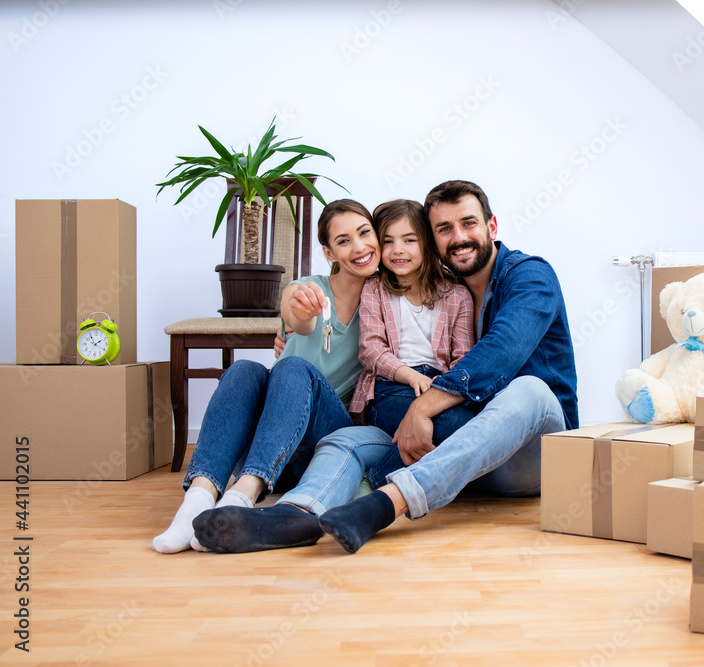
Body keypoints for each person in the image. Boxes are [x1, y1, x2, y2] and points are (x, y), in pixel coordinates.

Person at [193, 179, 578, 554]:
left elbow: (501, 351)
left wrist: (422, 407)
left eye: (469, 223)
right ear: (435, 239)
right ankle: (297, 513)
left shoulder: (528, 276)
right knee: (349, 440)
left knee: (527, 390)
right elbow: (320, 317)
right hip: (457, 460)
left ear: (492, 226)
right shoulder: (396, 288)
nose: (457, 237)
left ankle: (381, 503)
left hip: (529, 453)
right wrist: (289, 327)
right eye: (444, 228)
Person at [152, 199, 379, 554]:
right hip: (270, 442)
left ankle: (244, 496)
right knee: (244, 369)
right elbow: (296, 315)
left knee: (292, 367)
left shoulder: (385, 301)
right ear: (329, 252)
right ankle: (198, 498)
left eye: (365, 233)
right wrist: (297, 310)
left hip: (319, 444)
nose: (360, 246)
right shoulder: (311, 287)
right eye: (344, 240)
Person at [348, 199, 478, 458]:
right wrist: (412, 376)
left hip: (440, 387)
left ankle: (382, 476)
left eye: (409, 240)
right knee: (446, 427)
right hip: (390, 387)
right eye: (388, 241)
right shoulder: (374, 289)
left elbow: (463, 358)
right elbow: (371, 349)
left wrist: (441, 390)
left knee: (463, 423)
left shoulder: (458, 295)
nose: (398, 250)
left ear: (427, 243)